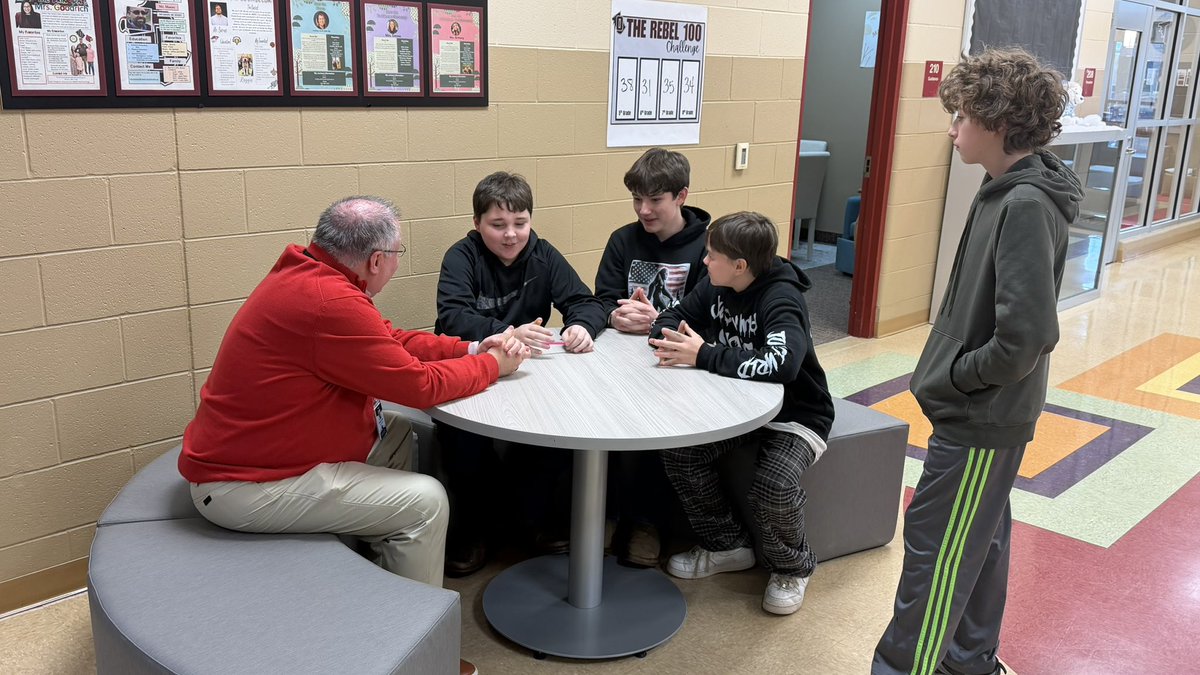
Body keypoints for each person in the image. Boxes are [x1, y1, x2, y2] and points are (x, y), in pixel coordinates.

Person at [179, 196, 528, 675]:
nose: (398, 264)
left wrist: (470, 347)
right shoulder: (329, 303)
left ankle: (378, 592)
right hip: (243, 486)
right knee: (425, 503)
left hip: (265, 459)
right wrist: (491, 365)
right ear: (377, 260)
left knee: (402, 437)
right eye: (398, 254)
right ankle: (418, 659)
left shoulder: (313, 275)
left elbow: (391, 340)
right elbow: (418, 385)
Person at [872, 48, 1081, 675]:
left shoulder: (1025, 204)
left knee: (936, 553)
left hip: (980, 416)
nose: (952, 128)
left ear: (997, 121)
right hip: (979, 413)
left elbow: (1026, 337)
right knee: (979, 539)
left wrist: (959, 379)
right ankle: (968, 661)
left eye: (960, 115)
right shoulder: (1003, 190)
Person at [649, 210, 834, 616]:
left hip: (797, 414)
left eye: (712, 255)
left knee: (774, 484)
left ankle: (792, 567)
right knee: (680, 453)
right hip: (735, 407)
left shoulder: (781, 298)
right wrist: (666, 339)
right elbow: (672, 316)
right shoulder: (715, 284)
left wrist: (704, 354)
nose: (703, 261)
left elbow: (783, 365)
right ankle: (727, 545)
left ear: (740, 265)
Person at [434, 171, 607, 576]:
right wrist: (506, 333)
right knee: (462, 443)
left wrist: (582, 326)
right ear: (477, 224)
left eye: (520, 223)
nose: (511, 235)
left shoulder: (543, 254)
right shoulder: (461, 256)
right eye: (498, 224)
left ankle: (531, 521)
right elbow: (452, 317)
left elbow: (585, 301)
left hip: (531, 376)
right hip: (473, 371)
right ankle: (474, 530)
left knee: (554, 435)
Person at [594, 147, 712, 567]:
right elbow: (602, 300)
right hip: (621, 360)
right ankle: (608, 515)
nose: (643, 210)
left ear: (681, 196)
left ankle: (645, 524)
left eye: (655, 200)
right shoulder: (622, 240)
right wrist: (615, 314)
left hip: (677, 367)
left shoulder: (707, 247)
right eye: (636, 199)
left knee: (655, 427)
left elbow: (710, 318)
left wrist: (657, 321)